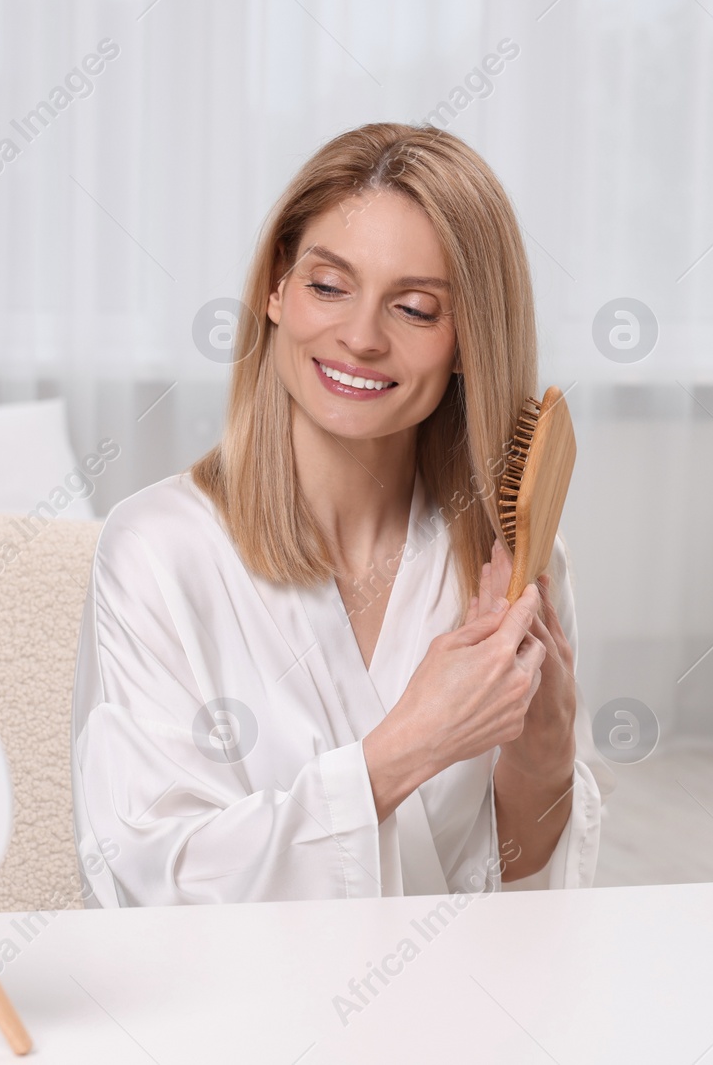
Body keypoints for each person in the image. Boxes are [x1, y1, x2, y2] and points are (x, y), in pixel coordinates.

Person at [70, 122, 607, 905]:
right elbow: (150, 876)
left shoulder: (514, 563)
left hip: (457, 1007)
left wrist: (543, 752)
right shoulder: (157, 552)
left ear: (469, 341)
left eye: (417, 308)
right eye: (328, 286)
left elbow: (523, 897)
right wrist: (401, 751)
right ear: (275, 291)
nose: (360, 337)